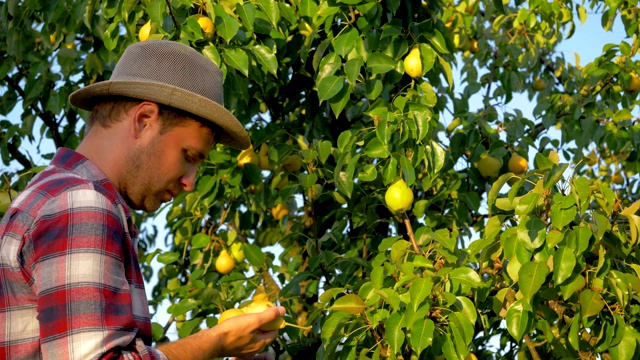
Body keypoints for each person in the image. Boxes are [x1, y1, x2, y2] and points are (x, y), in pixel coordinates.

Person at [0, 40, 284, 360]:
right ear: (144, 120)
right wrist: (214, 344)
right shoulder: (80, 205)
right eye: (188, 156)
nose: (190, 182)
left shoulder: (49, 195)